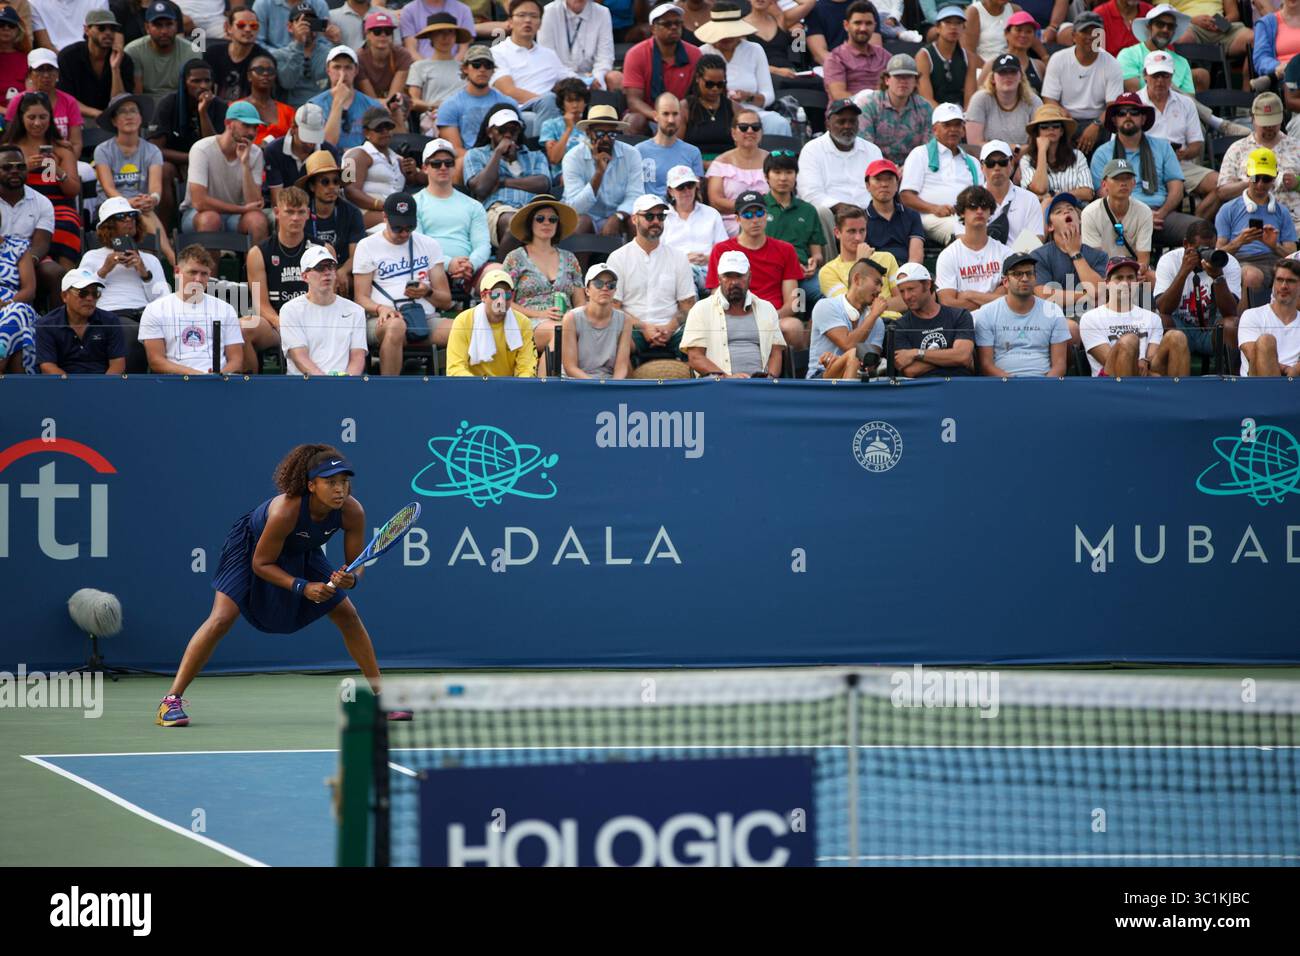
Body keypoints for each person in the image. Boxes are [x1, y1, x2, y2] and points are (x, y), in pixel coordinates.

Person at [156, 443, 400, 727]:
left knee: (348, 614)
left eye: (344, 482)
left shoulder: (352, 511)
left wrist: (353, 577)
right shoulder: (286, 511)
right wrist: (303, 587)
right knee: (221, 618)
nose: (340, 490)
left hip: (301, 550)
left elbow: (356, 562)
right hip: (252, 549)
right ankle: (170, 701)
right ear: (311, 486)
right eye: (330, 482)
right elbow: (261, 564)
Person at [352, 191, 453, 373]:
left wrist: (427, 292)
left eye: (409, 227)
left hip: (423, 320)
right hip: (382, 320)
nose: (404, 233)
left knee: (464, 329)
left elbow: (446, 300)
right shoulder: (367, 245)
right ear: (384, 218)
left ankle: (453, 391)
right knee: (396, 326)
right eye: (398, 228)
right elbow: (360, 298)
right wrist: (380, 308)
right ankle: (389, 394)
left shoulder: (429, 244)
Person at [1090, 92, 1195, 247]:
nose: (1128, 116)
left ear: (1143, 118)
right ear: (1114, 119)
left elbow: (1177, 188)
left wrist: (1162, 213)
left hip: (1160, 216)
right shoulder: (1102, 153)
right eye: (1121, 113)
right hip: (1121, 218)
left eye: (1134, 112)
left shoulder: (1163, 147)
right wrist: (1141, 217)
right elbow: (1103, 195)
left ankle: (1178, 270)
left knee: (1201, 231)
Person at [77, 196, 167, 369]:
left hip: (145, 314)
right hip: (111, 313)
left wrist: (144, 273)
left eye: (131, 215)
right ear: (108, 224)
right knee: (130, 331)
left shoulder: (150, 260)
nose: (128, 219)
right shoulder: (92, 257)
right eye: (121, 217)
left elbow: (163, 300)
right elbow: (81, 295)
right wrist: (104, 270)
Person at [706, 189, 805, 346]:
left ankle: (797, 371)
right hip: (735, 317)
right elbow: (716, 295)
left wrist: (769, 317)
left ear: (767, 215)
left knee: (794, 327)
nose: (755, 220)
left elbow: (793, 302)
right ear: (737, 219)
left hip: (774, 316)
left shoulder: (786, 249)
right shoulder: (721, 250)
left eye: (759, 213)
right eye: (748, 215)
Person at [608, 191, 698, 360]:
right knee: (616, 342)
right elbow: (614, 306)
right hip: (633, 327)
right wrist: (643, 327)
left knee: (699, 341)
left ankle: (696, 385)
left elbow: (687, 304)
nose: (656, 221)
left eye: (660, 217)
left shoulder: (678, 257)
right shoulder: (618, 258)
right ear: (635, 219)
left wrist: (670, 327)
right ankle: (622, 385)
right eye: (649, 216)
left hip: (673, 328)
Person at [2, 93, 80, 277]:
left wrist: (57, 170)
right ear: (21, 118)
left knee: (67, 221)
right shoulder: (9, 150)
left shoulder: (61, 149)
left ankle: (67, 280)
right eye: (31, 117)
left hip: (58, 207)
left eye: (42, 117)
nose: (37, 123)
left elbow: (73, 191)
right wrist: (23, 168)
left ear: (50, 118)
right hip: (19, 204)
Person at [502, 193, 583, 365]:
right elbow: (503, 300)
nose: (547, 223)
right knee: (560, 332)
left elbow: (581, 303)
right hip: (527, 323)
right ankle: (545, 384)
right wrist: (539, 314)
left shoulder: (570, 259)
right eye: (540, 218)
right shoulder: (514, 258)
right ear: (530, 223)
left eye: (552, 219)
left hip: (568, 323)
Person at [1139, 50, 1218, 223]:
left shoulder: (1186, 103)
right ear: (1145, 75)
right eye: (1155, 75)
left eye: (1165, 75)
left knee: (1220, 184)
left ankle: (1195, 225)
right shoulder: (1135, 102)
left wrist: (1185, 153)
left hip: (1180, 163)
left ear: (1171, 76)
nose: (1160, 81)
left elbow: (1196, 144)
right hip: (1144, 166)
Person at [139, 242, 242, 373]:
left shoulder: (226, 309)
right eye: (192, 272)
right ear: (177, 271)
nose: (198, 279)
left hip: (218, 383)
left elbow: (237, 360)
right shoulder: (155, 309)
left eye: (204, 274)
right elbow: (156, 361)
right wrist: (196, 375)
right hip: (176, 384)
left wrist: (219, 376)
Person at [93, 93, 171, 265]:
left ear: (141, 118)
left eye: (133, 111)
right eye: (123, 112)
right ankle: (173, 260)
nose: (129, 115)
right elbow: (108, 188)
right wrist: (128, 203)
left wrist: (152, 199)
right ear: (114, 121)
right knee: (141, 214)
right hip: (109, 208)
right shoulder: (102, 150)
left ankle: (162, 263)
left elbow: (155, 189)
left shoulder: (152, 151)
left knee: (144, 212)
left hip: (141, 208)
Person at [244, 185, 316, 369]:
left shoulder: (321, 249)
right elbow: (260, 304)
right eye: (289, 211)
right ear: (276, 212)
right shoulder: (258, 253)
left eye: (301, 212)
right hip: (276, 323)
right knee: (242, 328)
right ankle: (250, 387)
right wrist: (282, 323)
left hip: (315, 321)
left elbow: (328, 297)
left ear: (308, 213)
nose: (295, 218)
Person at [683, 248, 785, 376]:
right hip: (718, 386)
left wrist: (769, 380)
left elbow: (775, 353)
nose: (734, 282)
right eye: (728, 276)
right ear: (719, 278)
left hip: (760, 385)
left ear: (749, 277)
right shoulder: (700, 309)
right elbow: (695, 357)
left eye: (739, 276)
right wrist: (727, 378)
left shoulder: (767, 309)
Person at [1080, 255, 1190, 375]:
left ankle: (1179, 393)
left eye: (1130, 277)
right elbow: (1110, 362)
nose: (1125, 283)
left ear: (1137, 282)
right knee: (1129, 341)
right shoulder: (1090, 318)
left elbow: (1152, 359)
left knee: (1177, 337)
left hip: (1145, 375)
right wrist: (1151, 374)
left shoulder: (1152, 318)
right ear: (1107, 283)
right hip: (1109, 381)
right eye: (1119, 278)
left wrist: (1145, 361)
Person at [1154, 218, 1241, 368]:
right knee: (1160, 321)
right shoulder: (1169, 260)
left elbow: (1230, 312)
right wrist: (1184, 271)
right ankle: (1170, 384)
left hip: (1213, 329)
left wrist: (1218, 277)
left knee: (1231, 324)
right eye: (1201, 250)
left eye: (1211, 249)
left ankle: (1229, 380)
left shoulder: (1227, 262)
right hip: (1182, 329)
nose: (1206, 255)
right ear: (1186, 244)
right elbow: (1164, 308)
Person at [179, 100, 269, 243]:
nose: (252, 132)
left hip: (236, 217)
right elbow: (199, 202)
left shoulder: (255, 153)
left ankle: (253, 265)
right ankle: (209, 266)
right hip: (197, 214)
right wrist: (241, 209)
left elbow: (254, 203)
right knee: (210, 219)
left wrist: (245, 164)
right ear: (228, 124)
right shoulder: (202, 149)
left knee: (257, 221)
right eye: (246, 125)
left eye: (255, 127)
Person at [465, 105, 552, 250]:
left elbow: (543, 183)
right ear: (490, 132)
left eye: (513, 130)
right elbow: (481, 188)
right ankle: (501, 270)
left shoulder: (534, 155)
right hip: (496, 210)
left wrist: (503, 182)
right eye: (502, 130)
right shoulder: (476, 154)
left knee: (537, 220)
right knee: (516, 223)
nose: (508, 135)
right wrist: (498, 153)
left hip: (532, 209)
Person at [697, 2, 790, 136]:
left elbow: (769, 95)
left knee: (778, 123)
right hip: (713, 112)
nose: (726, 37)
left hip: (751, 113)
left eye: (731, 34)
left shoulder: (755, 49)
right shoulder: (702, 52)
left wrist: (748, 97)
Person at [415, 138, 490, 299]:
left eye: (448, 163)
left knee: (496, 274)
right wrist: (449, 264)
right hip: (428, 269)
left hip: (469, 271)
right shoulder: (415, 203)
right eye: (436, 163)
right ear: (424, 167)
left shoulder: (473, 205)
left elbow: (482, 245)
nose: (443, 167)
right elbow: (417, 245)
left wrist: (470, 264)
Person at [973, 251, 1070, 376]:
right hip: (1003, 385)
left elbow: (1060, 364)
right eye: (1018, 274)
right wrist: (1015, 386)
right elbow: (986, 365)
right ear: (1005, 281)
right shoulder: (987, 313)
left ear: (1035, 278)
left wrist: (1043, 387)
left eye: (1029, 273)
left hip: (1043, 384)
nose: (1024, 278)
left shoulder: (1053, 311)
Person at [1214, 147, 1298, 290]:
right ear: (1248, 174)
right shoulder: (1228, 209)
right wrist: (1239, 241)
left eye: (1266, 179)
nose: (1260, 184)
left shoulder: (1282, 212)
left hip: (1273, 261)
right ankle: (1245, 313)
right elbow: (1218, 255)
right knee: (1251, 275)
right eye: (1255, 178)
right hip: (1240, 261)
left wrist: (1273, 245)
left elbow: (1292, 254)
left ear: (1274, 178)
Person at [277, 243, 367, 376]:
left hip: (344, 386)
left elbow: (358, 357)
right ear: (305, 276)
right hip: (304, 387)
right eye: (320, 268)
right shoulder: (290, 310)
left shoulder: (356, 311)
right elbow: (299, 357)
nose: (327, 272)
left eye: (331, 267)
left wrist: (347, 383)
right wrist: (326, 385)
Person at [900, 101, 983, 243]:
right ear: (935, 129)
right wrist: (933, 208)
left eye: (957, 125)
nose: (953, 129)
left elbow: (982, 197)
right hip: (930, 217)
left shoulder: (972, 162)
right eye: (947, 125)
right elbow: (906, 196)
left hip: (968, 217)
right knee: (965, 229)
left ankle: (1023, 261)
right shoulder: (920, 154)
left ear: (963, 130)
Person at [1040, 12, 1122, 154]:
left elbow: (1113, 106)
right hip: (1066, 120)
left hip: (1099, 121)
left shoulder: (1112, 63)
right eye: (1085, 31)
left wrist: (1095, 125)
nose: (1090, 36)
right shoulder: (1058, 59)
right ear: (1073, 36)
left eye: (1095, 32)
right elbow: (1049, 98)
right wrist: (1065, 118)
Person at [1218, 93, 1300, 230]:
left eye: (1273, 124)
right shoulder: (1238, 149)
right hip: (1252, 221)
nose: (1269, 129)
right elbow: (1222, 192)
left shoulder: (1296, 146)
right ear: (1253, 119)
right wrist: (1251, 182)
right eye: (1265, 125)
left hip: (1294, 221)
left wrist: (1297, 182)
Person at [561, 103, 643, 237]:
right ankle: (576, 259)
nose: (605, 139)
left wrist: (618, 216)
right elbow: (576, 208)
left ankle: (641, 258)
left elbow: (635, 195)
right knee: (580, 222)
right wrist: (599, 174)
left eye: (611, 134)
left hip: (619, 215)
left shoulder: (632, 154)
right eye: (599, 133)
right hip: (587, 216)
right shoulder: (573, 157)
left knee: (638, 221)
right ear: (588, 132)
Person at [489, 0, 573, 130]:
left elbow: (569, 78)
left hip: (550, 109)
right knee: (544, 108)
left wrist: (592, 80)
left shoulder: (549, 54)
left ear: (540, 24)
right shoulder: (497, 52)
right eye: (521, 15)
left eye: (534, 16)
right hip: (517, 110)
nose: (528, 20)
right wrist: (550, 102)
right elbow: (508, 91)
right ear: (510, 22)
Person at [623, 4, 702, 135]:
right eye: (667, 24)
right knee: (634, 120)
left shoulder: (695, 54)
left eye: (678, 23)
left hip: (684, 115)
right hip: (651, 116)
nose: (674, 27)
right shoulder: (636, 54)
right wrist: (658, 116)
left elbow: (699, 96)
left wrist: (677, 116)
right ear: (653, 28)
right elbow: (633, 101)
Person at [763, 150, 827, 311]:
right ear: (766, 176)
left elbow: (817, 252)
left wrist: (814, 262)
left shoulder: (808, 210)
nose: (783, 178)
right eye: (777, 172)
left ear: (796, 175)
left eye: (789, 172)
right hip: (769, 274)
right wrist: (790, 266)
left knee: (828, 295)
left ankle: (816, 334)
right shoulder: (759, 208)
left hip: (804, 275)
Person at [33, 265, 125, 376]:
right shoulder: (46, 324)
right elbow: (47, 366)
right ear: (65, 296)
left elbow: (117, 364)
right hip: (63, 386)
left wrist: (102, 388)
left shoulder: (110, 320)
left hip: (103, 385)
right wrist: (73, 389)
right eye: (83, 293)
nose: (90, 298)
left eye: (95, 293)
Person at [445, 268, 538, 376]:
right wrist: (482, 388)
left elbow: (527, 369)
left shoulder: (523, 323)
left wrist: (514, 389)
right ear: (483, 296)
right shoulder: (463, 321)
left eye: (506, 295)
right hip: (473, 388)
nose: (501, 300)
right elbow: (455, 368)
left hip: (509, 388)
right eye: (495, 294)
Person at [807, 256, 888, 379]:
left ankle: (847, 397)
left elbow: (870, 364)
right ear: (857, 279)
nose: (880, 290)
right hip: (821, 378)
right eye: (876, 283)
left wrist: (840, 359)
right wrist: (872, 316)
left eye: (881, 286)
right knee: (854, 353)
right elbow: (848, 345)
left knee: (855, 356)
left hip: (858, 377)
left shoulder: (878, 323)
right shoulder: (826, 306)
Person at [892, 259, 976, 377]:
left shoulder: (959, 315)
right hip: (923, 389)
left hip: (959, 385)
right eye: (902, 291)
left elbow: (962, 356)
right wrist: (951, 357)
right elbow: (910, 371)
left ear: (927, 284)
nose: (906, 296)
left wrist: (916, 353)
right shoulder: (899, 326)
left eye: (911, 289)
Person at [796, 98, 882, 212]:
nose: (847, 126)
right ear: (828, 124)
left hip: (869, 213)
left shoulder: (872, 150)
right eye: (841, 121)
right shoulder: (812, 150)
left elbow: (880, 187)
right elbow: (810, 194)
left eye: (852, 121)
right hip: (831, 214)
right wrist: (845, 209)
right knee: (822, 212)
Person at [935, 186, 1012, 311]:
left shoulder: (1005, 253)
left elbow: (1011, 299)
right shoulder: (948, 255)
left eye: (984, 206)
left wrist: (969, 295)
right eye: (972, 206)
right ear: (961, 212)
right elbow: (947, 303)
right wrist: (993, 298)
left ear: (990, 211)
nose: (979, 211)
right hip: (964, 325)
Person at [434, 43, 518, 157]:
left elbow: (517, 141)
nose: (482, 69)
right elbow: (456, 150)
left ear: (493, 70)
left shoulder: (509, 104)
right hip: (469, 161)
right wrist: (482, 162)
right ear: (465, 68)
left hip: (506, 157)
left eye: (487, 65)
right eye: (476, 64)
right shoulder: (450, 105)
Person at [1032, 191, 1108, 317]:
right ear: (1050, 226)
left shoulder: (1099, 256)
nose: (1066, 212)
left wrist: (1075, 253)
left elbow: (1098, 291)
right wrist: (1085, 295)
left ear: (1079, 219)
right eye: (1058, 212)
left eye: (1071, 209)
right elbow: (1044, 295)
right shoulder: (1038, 256)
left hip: (1092, 319)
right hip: (1054, 319)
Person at [297, 150, 363, 293]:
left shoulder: (352, 212)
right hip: (309, 273)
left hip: (341, 273)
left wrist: (342, 271)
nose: (332, 187)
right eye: (325, 182)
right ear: (312, 186)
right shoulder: (301, 214)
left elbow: (356, 255)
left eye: (336, 181)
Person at [344, 106, 417, 229]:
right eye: (379, 128)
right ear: (366, 132)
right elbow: (349, 191)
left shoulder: (398, 158)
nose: (385, 132)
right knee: (397, 225)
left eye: (388, 127)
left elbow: (424, 178)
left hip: (395, 211)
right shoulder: (353, 155)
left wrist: (413, 173)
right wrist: (382, 205)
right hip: (364, 211)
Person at [58, 8, 136, 122]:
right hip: (77, 117)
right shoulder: (68, 57)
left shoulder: (124, 60)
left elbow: (120, 102)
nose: (108, 33)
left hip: (112, 119)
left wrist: (115, 69)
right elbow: (65, 98)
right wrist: (97, 114)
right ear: (86, 30)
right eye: (101, 28)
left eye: (112, 29)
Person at [5, 49, 85, 158]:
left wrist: (68, 162)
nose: (46, 75)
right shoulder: (18, 101)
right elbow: (11, 138)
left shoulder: (69, 101)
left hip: (62, 158)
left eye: (50, 69)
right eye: (40, 70)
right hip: (25, 160)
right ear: (29, 74)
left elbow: (76, 143)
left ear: (57, 73)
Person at [858, 54, 933, 168]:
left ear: (915, 81)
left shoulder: (925, 108)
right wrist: (890, 169)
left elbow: (928, 148)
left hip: (915, 168)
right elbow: (865, 147)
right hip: (875, 168)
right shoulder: (868, 105)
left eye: (908, 77)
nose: (903, 81)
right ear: (887, 79)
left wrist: (908, 168)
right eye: (898, 76)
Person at [661, 163, 726, 293]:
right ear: (670, 191)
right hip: (673, 273)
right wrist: (682, 260)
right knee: (685, 274)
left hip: (710, 271)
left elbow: (723, 249)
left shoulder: (712, 214)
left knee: (688, 275)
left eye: (690, 185)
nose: (686, 191)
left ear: (696, 187)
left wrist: (708, 258)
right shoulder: (661, 217)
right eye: (680, 187)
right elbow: (657, 254)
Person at [1081, 157, 1155, 272]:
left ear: (1134, 183)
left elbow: (1143, 259)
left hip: (1133, 271)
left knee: (1154, 279)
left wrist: (1135, 276)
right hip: (1103, 273)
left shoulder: (1144, 212)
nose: (1123, 183)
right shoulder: (1090, 213)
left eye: (1127, 178)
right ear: (1104, 184)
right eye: (1117, 179)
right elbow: (1094, 261)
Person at [561, 261, 633, 378]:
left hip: (608, 383)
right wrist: (597, 387)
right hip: (576, 382)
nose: (605, 288)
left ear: (615, 290)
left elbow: (622, 366)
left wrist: (611, 388)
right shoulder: (571, 318)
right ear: (587, 290)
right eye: (598, 284)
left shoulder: (625, 320)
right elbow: (570, 367)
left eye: (611, 285)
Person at [818, 203, 900, 302]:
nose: (858, 237)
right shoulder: (828, 271)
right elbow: (849, 307)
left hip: (895, 318)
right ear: (837, 233)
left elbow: (902, 302)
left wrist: (874, 307)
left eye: (862, 230)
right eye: (851, 231)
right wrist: (861, 263)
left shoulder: (887, 258)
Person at [1118, 3, 1208, 93]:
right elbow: (1136, 92)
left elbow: (1188, 103)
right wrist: (1174, 90)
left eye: (1170, 26)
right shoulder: (1128, 55)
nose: (1165, 29)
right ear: (1149, 27)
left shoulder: (1182, 62)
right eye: (1160, 24)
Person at [309, 45, 383, 152]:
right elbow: (326, 146)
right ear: (328, 70)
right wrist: (338, 101)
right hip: (328, 165)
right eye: (337, 67)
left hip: (363, 164)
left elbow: (381, 147)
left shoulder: (373, 106)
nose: (342, 74)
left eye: (348, 67)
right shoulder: (314, 106)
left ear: (356, 70)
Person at [408, 15, 471, 135]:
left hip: (465, 116)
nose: (445, 37)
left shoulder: (466, 67)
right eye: (439, 32)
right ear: (431, 36)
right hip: (434, 118)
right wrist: (437, 106)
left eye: (450, 32)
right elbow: (413, 101)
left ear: (455, 36)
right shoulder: (419, 66)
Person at [1019, 103, 1094, 203]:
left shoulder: (1077, 156)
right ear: (1037, 132)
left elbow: (1087, 193)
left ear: (1062, 131)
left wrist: (1054, 196)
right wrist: (1042, 151)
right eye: (1044, 126)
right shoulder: (1026, 159)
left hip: (1074, 209)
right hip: (1041, 213)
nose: (1051, 129)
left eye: (1056, 125)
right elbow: (1040, 188)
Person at [538, 0, 619, 91]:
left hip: (591, 76)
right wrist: (579, 81)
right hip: (560, 75)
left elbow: (605, 57)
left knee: (615, 77)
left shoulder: (603, 12)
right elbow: (548, 59)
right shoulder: (548, 12)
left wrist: (596, 78)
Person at [1238, 257, 1300, 375]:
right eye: (1279, 280)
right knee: (1266, 341)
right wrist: (1288, 370)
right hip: (1258, 385)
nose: (1283, 286)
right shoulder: (1251, 316)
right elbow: (1254, 356)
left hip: (1295, 386)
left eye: (1291, 281)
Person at [966, 53, 1042, 149]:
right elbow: (974, 144)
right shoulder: (980, 99)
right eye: (1003, 72)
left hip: (1025, 159)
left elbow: (1039, 142)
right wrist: (1013, 149)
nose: (1008, 76)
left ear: (1021, 77)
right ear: (993, 78)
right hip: (988, 160)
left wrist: (1020, 152)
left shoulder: (1034, 101)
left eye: (1013, 72)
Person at [265, 102, 335, 204]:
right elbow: (277, 199)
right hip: (285, 210)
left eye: (315, 136)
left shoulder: (329, 151)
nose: (311, 143)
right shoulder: (273, 151)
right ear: (293, 128)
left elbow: (337, 190)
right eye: (307, 137)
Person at [635, 93, 703, 197]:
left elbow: (695, 194)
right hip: (648, 211)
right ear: (655, 116)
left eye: (675, 114)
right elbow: (632, 191)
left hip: (680, 210)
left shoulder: (693, 153)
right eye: (665, 114)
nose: (671, 120)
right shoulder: (638, 151)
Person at [978, 139, 1041, 247]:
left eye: (1002, 162)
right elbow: (964, 240)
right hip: (983, 262)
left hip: (1020, 261)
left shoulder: (1030, 199)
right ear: (982, 166)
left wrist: (1012, 261)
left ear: (1011, 162)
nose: (997, 168)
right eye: (990, 163)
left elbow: (1037, 237)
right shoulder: (970, 201)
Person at [823, 1, 890, 100]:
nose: (863, 28)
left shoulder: (884, 56)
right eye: (857, 23)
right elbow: (839, 96)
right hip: (849, 112)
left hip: (882, 111)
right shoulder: (835, 58)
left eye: (868, 23)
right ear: (846, 25)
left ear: (874, 26)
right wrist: (871, 104)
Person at [863, 158, 924, 265]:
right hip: (875, 275)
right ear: (867, 185)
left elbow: (916, 257)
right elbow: (863, 257)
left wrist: (906, 276)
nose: (884, 184)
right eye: (878, 179)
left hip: (907, 272)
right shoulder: (861, 218)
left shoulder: (912, 215)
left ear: (897, 184)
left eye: (889, 179)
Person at [204, 7, 269, 103]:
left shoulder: (265, 60)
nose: (248, 29)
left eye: (253, 26)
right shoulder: (211, 54)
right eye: (241, 25)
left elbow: (264, 101)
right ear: (228, 28)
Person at [917, 5, 975, 108]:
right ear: (938, 28)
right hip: (934, 114)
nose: (953, 27)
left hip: (961, 115)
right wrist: (946, 117)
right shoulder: (924, 56)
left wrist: (964, 118)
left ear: (963, 28)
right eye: (948, 22)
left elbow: (970, 98)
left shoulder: (969, 58)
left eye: (958, 23)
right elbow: (926, 99)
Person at [125, 1, 189, 95]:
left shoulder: (191, 51)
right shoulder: (133, 51)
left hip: (177, 105)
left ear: (177, 26)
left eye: (169, 24)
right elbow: (137, 96)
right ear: (147, 27)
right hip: (147, 106)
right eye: (158, 25)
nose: (164, 31)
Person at [273, 7, 331, 108]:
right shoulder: (279, 55)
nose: (307, 26)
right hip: (292, 113)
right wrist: (299, 44)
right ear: (290, 27)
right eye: (302, 22)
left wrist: (336, 42)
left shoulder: (329, 54)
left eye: (311, 22)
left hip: (322, 112)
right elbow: (288, 83)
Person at [978, 9, 1044, 92]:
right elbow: (979, 95)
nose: (1023, 35)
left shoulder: (1039, 66)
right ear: (1006, 33)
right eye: (1018, 30)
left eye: (1029, 31)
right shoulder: (992, 64)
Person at [540, 77, 591, 185]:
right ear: (562, 103)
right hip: (562, 174)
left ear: (585, 102)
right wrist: (568, 129)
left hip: (590, 170)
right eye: (570, 100)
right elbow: (554, 158)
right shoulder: (550, 125)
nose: (575, 105)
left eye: (578, 100)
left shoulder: (591, 126)